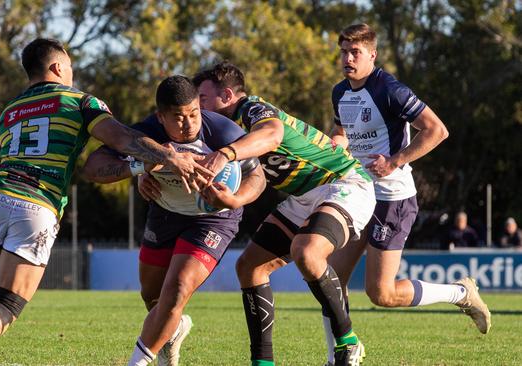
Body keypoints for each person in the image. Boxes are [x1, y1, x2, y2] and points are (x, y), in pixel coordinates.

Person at [0, 39, 213, 366]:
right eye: (69, 66)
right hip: (38, 203)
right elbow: (122, 139)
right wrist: (170, 157)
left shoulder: (10, 110)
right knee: (9, 304)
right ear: (58, 68)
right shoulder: (82, 102)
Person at [191, 61, 376, 366]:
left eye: (203, 99)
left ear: (226, 94)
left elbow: (273, 135)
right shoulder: (224, 132)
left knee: (307, 252)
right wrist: (234, 199)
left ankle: (348, 341)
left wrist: (225, 154)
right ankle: (262, 362)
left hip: (344, 181)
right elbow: (260, 178)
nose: (199, 107)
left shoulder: (251, 108)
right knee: (249, 266)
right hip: (305, 195)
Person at [326, 23, 490, 364]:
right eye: (343, 51)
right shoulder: (340, 92)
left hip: (392, 198)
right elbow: (342, 129)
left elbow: (437, 130)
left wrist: (396, 160)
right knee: (330, 277)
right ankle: (340, 357)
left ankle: (460, 292)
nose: (347, 58)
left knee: (381, 294)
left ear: (372, 54)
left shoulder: (389, 88)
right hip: (357, 193)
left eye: (355, 52)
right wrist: (336, 142)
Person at [85, 75, 266, 366]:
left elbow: (257, 178)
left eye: (194, 113)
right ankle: (175, 329)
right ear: (160, 116)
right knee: (152, 296)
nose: (189, 123)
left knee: (178, 290)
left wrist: (234, 200)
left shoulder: (222, 131)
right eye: (178, 117)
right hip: (165, 212)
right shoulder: (146, 133)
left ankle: (138, 362)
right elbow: (93, 168)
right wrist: (141, 168)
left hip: (214, 218)